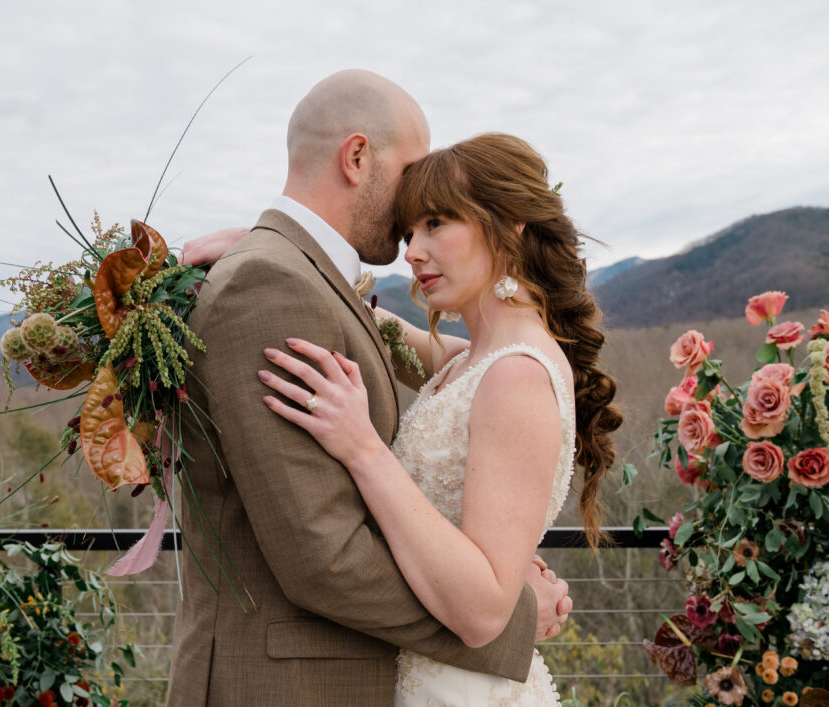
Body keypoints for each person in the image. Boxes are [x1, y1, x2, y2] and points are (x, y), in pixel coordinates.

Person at [168, 72, 571, 706]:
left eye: (437, 221)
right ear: (357, 157)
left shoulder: (508, 365)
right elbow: (323, 557)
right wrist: (509, 615)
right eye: (413, 186)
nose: (414, 244)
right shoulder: (269, 284)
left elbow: (502, 372)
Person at [257, 132, 623, 704]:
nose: (413, 251)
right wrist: (268, 250)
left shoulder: (516, 377)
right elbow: (366, 319)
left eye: (436, 224)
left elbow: (482, 612)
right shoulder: (470, 360)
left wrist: (362, 447)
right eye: (408, 232)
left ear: (512, 223)